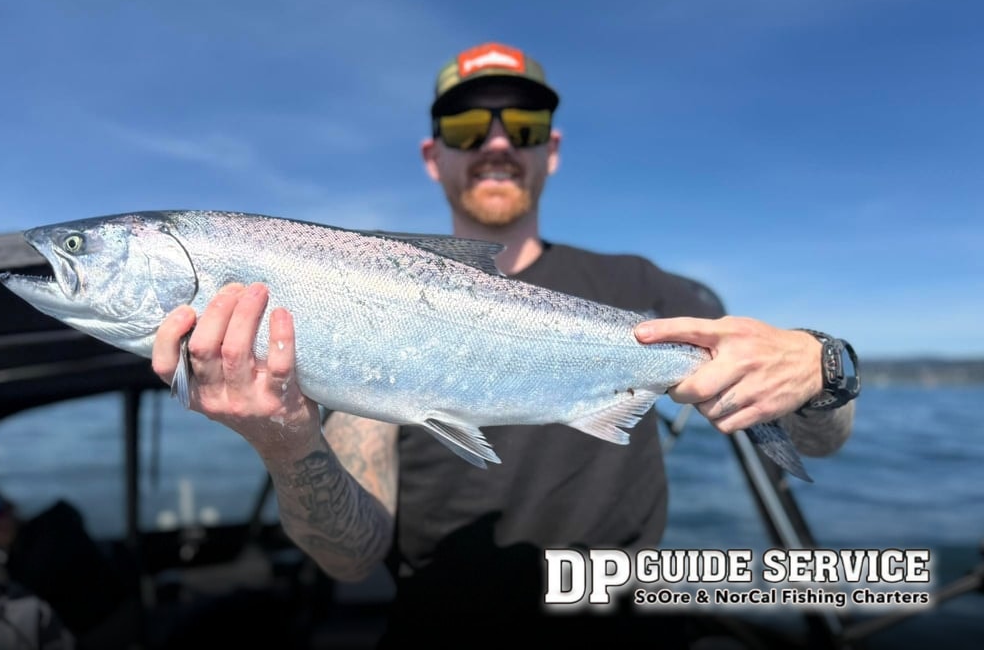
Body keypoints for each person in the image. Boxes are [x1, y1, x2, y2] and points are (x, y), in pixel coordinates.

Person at [151, 42, 857, 647]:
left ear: (549, 149)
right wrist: (287, 442)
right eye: (466, 124)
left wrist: (823, 367)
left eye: (521, 125)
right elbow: (351, 555)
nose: (495, 144)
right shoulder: (365, 294)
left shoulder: (646, 290)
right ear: (435, 156)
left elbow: (821, 437)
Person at [0, 485, 128, 647]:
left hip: (101, 624)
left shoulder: (53, 533)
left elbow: (26, 590)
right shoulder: (20, 548)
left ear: (8, 508)